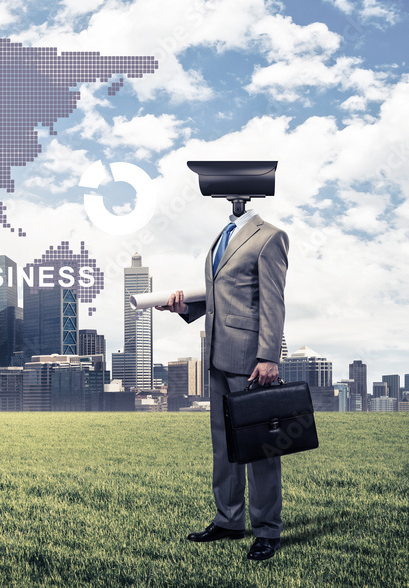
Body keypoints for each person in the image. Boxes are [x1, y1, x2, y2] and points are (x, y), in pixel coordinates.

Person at [156, 208, 289, 562]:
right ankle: (229, 520)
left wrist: (269, 356)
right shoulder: (223, 235)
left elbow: (273, 300)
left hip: (251, 359)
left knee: (260, 448)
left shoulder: (270, 236)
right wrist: (185, 308)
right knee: (225, 446)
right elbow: (223, 294)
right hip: (217, 354)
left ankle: (266, 531)